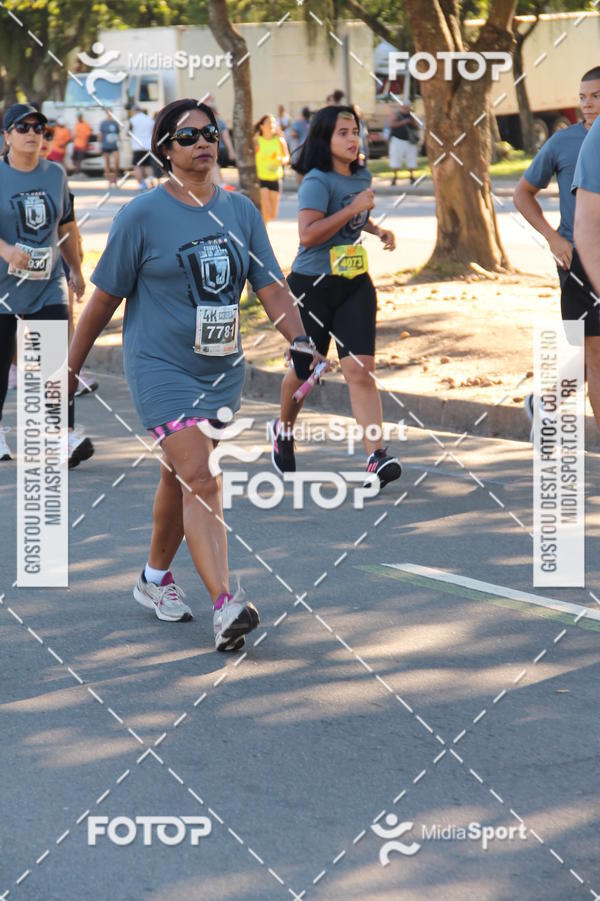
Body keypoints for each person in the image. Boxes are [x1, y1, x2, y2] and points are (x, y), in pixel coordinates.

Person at [67, 98, 325, 650]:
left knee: (179, 475)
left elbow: (270, 286)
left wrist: (300, 339)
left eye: (210, 133)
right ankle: (225, 604)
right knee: (202, 476)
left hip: (219, 368)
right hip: (158, 364)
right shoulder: (141, 216)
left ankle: (154, 578)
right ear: (165, 149)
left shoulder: (239, 211)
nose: (203, 142)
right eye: (188, 137)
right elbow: (103, 300)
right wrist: (69, 368)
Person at [270, 105, 401, 488]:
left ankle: (375, 457)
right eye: (342, 132)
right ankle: (284, 431)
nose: (352, 139)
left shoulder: (361, 175)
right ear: (325, 139)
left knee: (360, 370)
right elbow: (308, 234)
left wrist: (376, 231)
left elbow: (352, 216)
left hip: (354, 282)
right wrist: (357, 209)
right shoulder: (316, 180)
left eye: (355, 131)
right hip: (312, 286)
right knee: (305, 368)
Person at [0, 103, 92, 466]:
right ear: (6, 136)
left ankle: (60, 438)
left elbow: (66, 226)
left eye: (40, 128)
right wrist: (6, 250)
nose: (33, 134)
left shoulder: (55, 174)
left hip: (47, 283)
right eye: (23, 128)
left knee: (55, 361)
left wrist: (75, 269)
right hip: (3, 287)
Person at [514, 66, 600, 432]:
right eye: (582, 97)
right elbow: (522, 193)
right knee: (596, 356)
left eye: (595, 95)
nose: (587, 104)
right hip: (580, 261)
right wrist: (552, 237)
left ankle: (544, 401)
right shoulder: (562, 143)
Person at [573, 107, 600, 382]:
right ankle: (547, 403)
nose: (589, 104)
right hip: (575, 265)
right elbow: (587, 226)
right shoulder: (564, 141)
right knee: (592, 352)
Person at [254, 114, 289, 225]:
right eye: (268, 122)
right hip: (262, 179)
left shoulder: (279, 141)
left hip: (275, 178)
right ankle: (264, 237)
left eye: (273, 122)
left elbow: (287, 157)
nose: (271, 125)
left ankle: (260, 227)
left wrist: (282, 160)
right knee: (266, 211)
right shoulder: (257, 141)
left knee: (272, 214)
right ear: (262, 126)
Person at [388, 101, 419, 186]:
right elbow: (391, 124)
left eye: (407, 107)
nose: (406, 109)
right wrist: (403, 122)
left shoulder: (412, 115)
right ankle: (395, 177)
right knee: (396, 159)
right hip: (397, 140)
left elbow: (417, 126)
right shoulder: (396, 114)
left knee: (411, 158)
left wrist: (411, 122)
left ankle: (412, 177)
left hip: (409, 141)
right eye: (404, 107)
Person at [129, 106, 155, 190]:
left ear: (134, 111)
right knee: (148, 165)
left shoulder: (133, 120)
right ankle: (151, 180)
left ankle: (141, 184)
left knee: (138, 166)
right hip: (148, 146)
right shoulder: (150, 119)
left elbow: (128, 132)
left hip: (137, 146)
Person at [99, 108, 120, 186]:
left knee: (116, 162)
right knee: (107, 163)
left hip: (114, 145)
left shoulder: (115, 123)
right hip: (106, 145)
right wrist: (99, 145)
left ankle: (115, 178)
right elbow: (100, 134)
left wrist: (120, 142)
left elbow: (118, 134)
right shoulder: (103, 123)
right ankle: (109, 180)